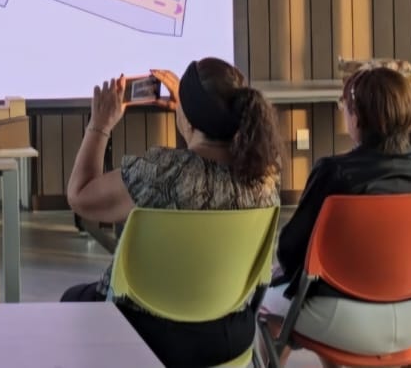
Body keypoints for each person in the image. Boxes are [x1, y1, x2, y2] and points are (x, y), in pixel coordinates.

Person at [63, 58, 282, 367]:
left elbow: (80, 195)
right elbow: (202, 164)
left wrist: (99, 125)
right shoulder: (265, 181)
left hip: (145, 340)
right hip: (228, 340)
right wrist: (191, 111)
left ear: (189, 121)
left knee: (72, 299)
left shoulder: (159, 174)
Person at [262, 67, 411, 360]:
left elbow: (290, 251)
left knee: (269, 304)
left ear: (357, 117)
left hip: (346, 319)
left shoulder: (334, 172)